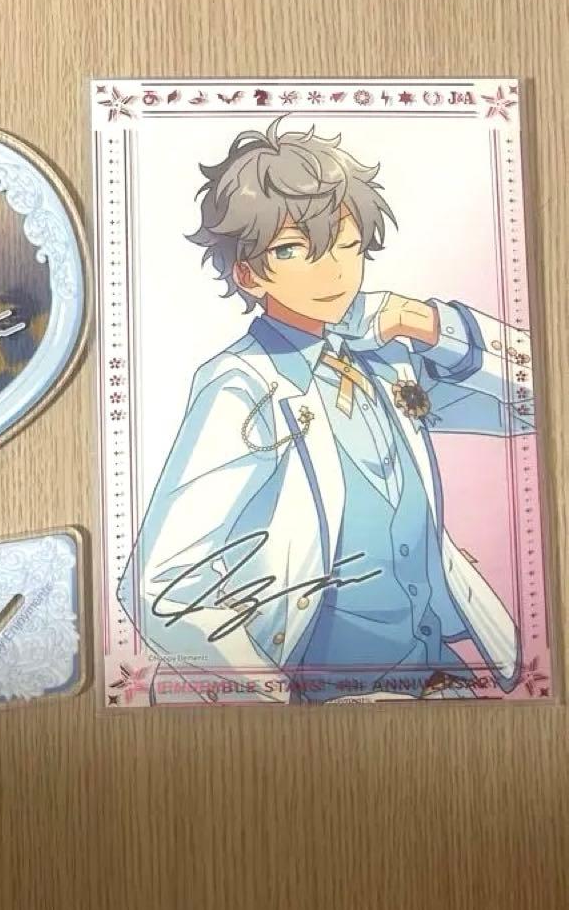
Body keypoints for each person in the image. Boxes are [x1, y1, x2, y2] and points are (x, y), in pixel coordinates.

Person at [120, 118, 533, 703]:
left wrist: (429, 323)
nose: (333, 270)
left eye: (347, 245)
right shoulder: (243, 386)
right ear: (247, 273)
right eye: (295, 250)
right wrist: (275, 700)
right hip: (320, 697)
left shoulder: (387, 359)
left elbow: (534, 403)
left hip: (439, 680)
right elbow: (159, 585)